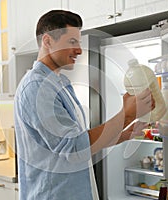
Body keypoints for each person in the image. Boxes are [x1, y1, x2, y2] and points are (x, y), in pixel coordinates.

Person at [14, 10, 155, 200]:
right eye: (72, 42)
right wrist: (126, 115)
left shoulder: (60, 83)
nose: (79, 50)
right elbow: (73, 148)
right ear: (47, 41)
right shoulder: (37, 87)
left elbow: (81, 141)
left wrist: (121, 134)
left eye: (79, 42)